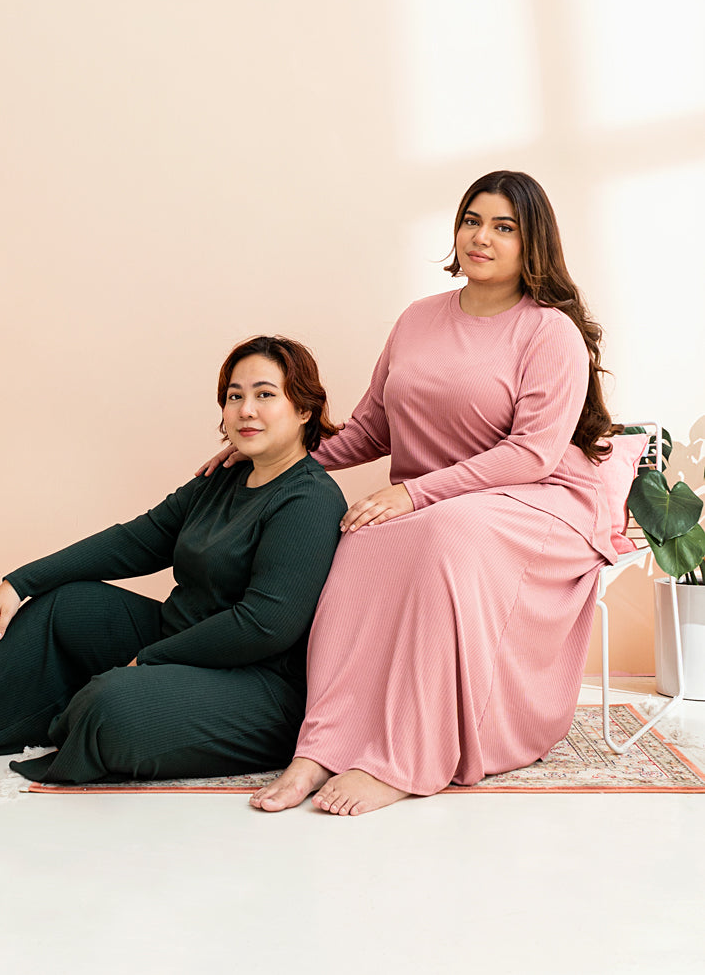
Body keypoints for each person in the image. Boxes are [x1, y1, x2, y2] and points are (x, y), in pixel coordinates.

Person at [199, 170, 619, 816]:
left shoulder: (549, 331)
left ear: (532, 241)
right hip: (438, 503)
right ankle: (321, 746)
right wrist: (277, 455)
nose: (481, 237)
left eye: (503, 227)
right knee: (356, 541)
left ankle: (405, 758)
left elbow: (532, 453)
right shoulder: (418, 319)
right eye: (472, 220)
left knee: (446, 536)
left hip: (540, 499)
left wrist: (416, 496)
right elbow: (372, 429)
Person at [0, 336, 346, 784]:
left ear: (303, 409)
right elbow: (137, 540)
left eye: (265, 395)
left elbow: (264, 625)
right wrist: (21, 582)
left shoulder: (308, 500)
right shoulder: (222, 478)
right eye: (235, 396)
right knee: (65, 606)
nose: (246, 410)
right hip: (179, 645)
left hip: (256, 689)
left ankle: (81, 715)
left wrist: (150, 659)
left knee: (111, 704)